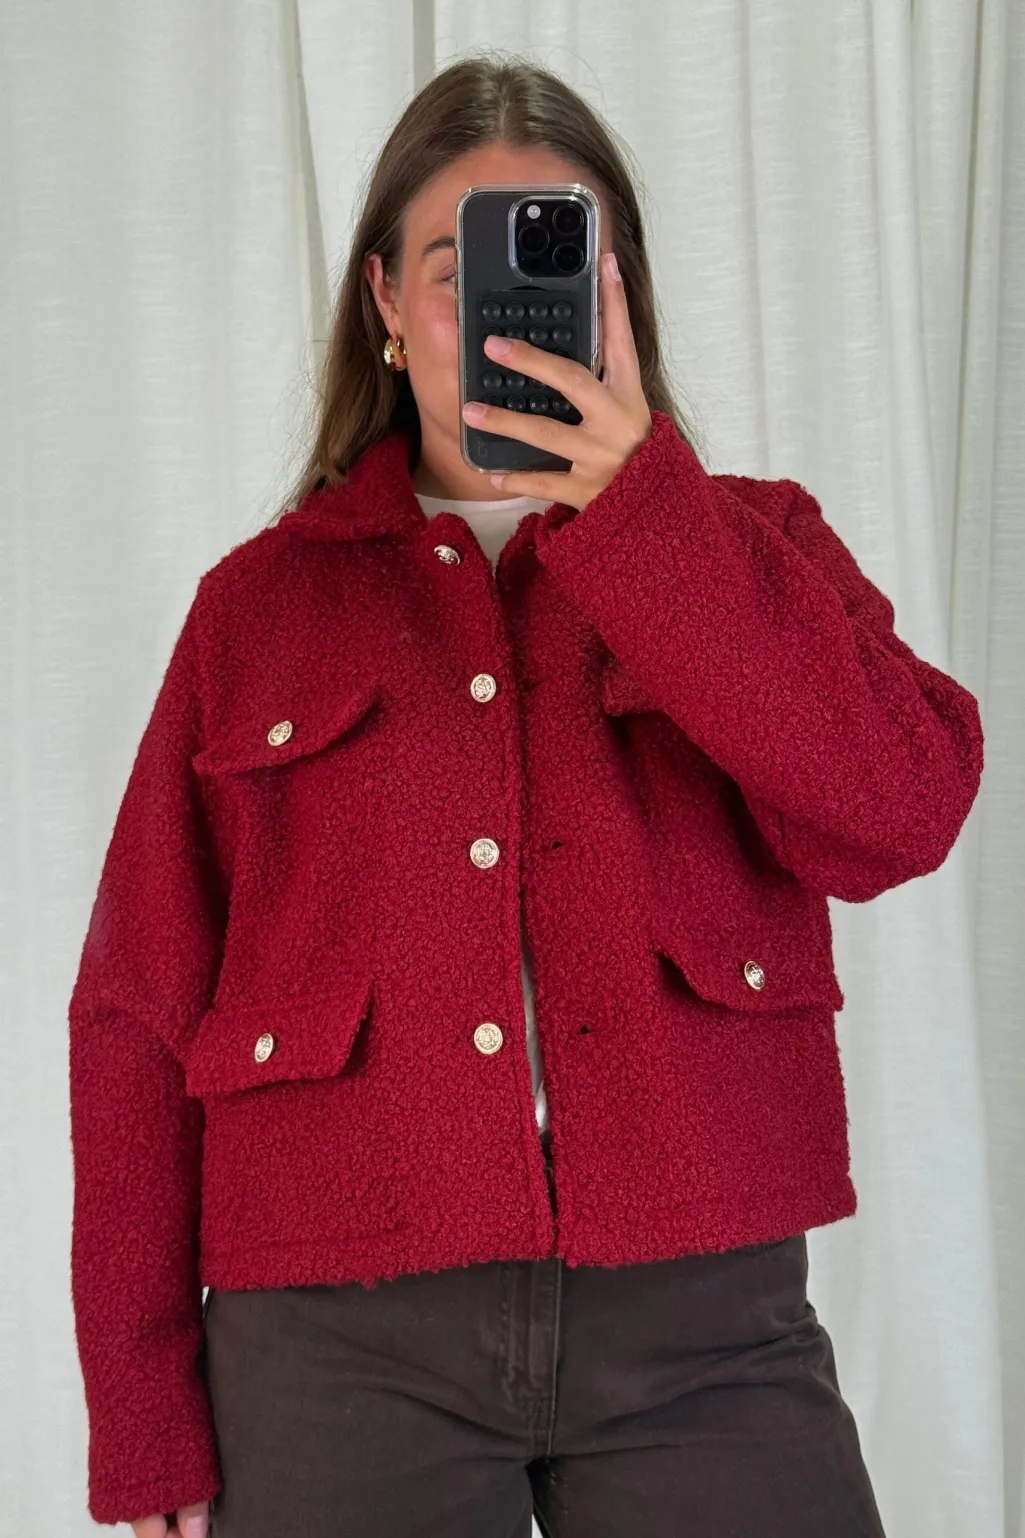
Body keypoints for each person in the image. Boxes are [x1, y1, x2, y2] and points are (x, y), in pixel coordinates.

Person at [67, 55, 984, 1538]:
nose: (500, 315)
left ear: (616, 292)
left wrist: (642, 512)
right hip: (334, 1344)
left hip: (707, 1326)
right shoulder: (261, 608)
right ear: (384, 301)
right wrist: (141, 1406)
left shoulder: (749, 546)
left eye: (552, 265)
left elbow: (904, 806)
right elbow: (133, 1005)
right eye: (455, 271)